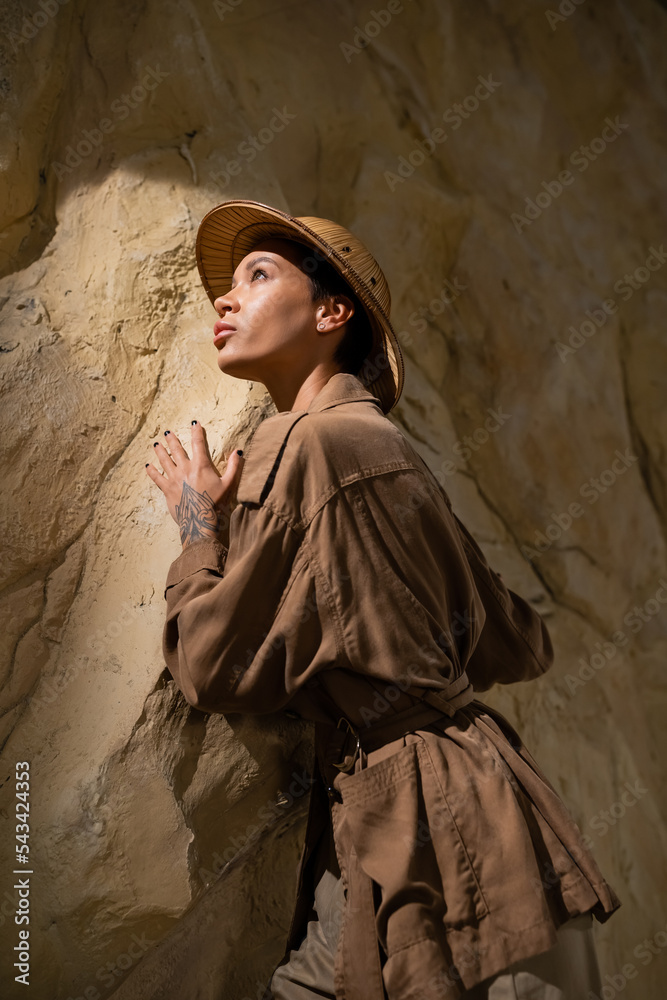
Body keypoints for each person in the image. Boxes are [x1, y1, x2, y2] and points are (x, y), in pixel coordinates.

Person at [146, 200, 621, 999]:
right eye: (226, 286)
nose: (225, 300)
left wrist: (199, 527)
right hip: (484, 826)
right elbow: (519, 641)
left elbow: (211, 666)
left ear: (332, 313)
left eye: (257, 277)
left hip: (435, 845)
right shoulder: (389, 447)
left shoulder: (302, 443)